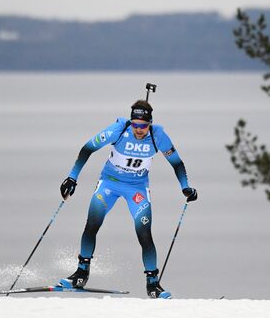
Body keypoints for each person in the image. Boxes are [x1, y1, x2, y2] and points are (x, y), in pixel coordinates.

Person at [58, 99, 197, 299]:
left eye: (143, 125)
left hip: (137, 189)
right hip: (109, 184)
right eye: (135, 124)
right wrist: (72, 177)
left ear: (150, 124)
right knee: (92, 224)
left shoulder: (158, 136)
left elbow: (177, 163)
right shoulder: (118, 129)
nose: (139, 129)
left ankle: (153, 284)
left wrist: (185, 187)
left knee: (144, 233)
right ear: (131, 121)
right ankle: (81, 273)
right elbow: (87, 148)